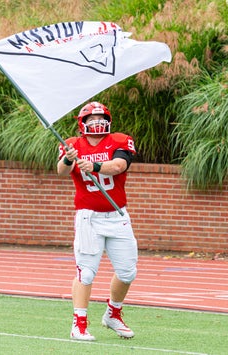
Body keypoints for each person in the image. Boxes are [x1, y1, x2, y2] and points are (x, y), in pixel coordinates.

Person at [57, 101, 138, 341]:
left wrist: (95, 165)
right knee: (87, 272)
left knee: (127, 272)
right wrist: (70, 159)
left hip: (117, 215)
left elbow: (120, 166)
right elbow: (61, 171)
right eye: (91, 119)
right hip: (88, 217)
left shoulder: (120, 140)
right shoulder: (72, 145)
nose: (97, 122)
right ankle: (79, 323)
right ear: (83, 123)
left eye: (100, 117)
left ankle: (113, 314)